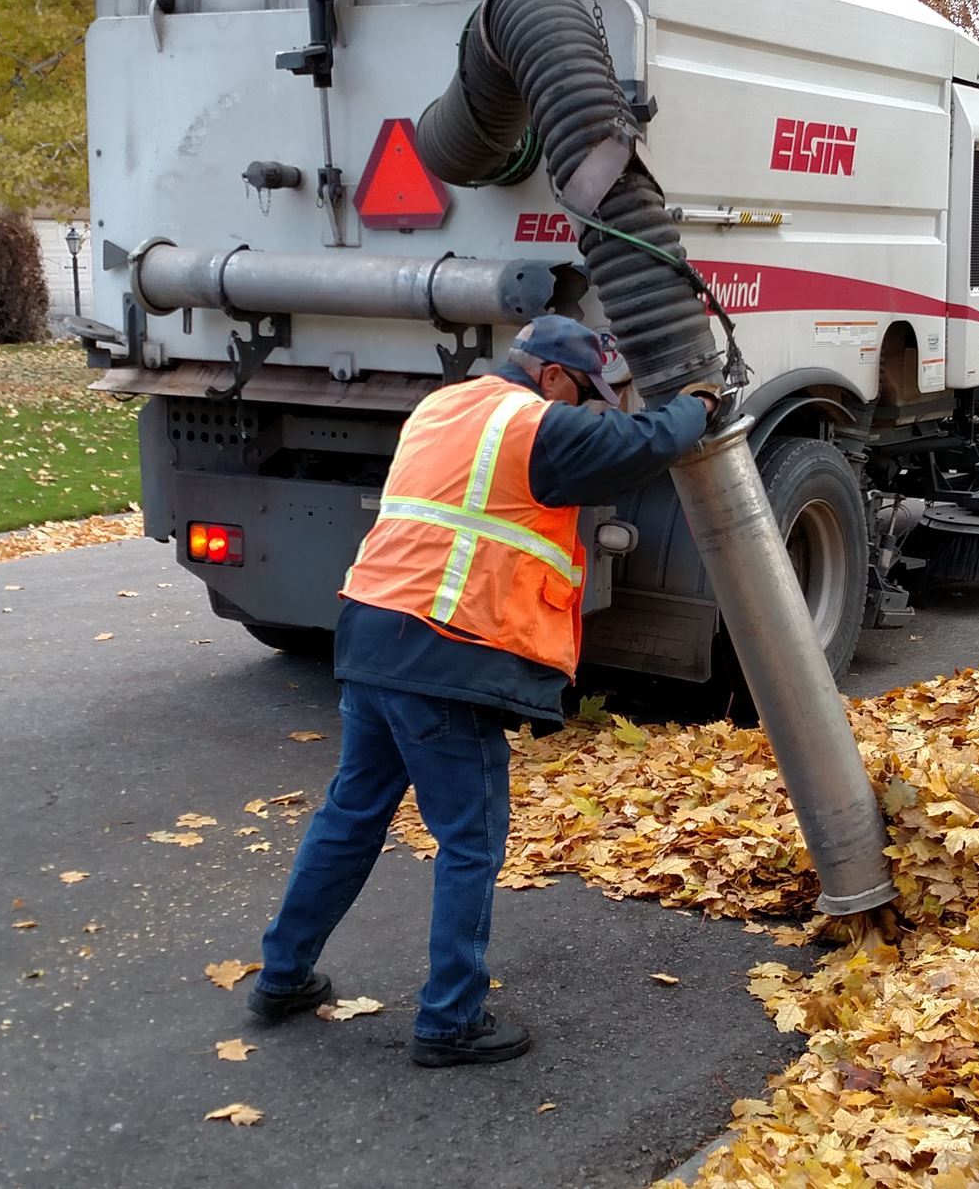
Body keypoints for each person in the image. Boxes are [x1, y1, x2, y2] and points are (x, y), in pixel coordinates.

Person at [247, 314, 717, 1067]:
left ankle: (281, 976)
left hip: (372, 634)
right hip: (449, 652)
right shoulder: (533, 424)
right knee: (470, 838)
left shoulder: (442, 406)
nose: (587, 410)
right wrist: (701, 403)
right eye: (585, 394)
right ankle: (448, 1021)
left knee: (352, 815)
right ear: (554, 376)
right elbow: (644, 447)